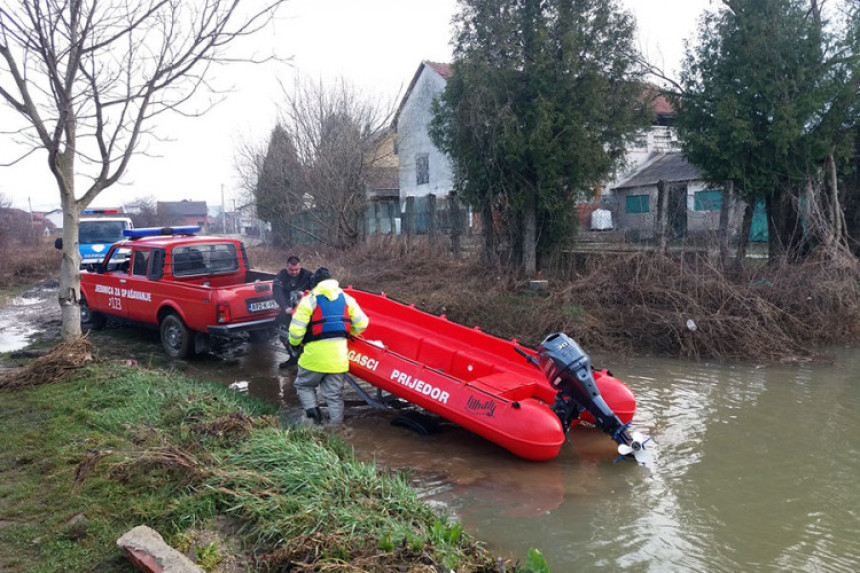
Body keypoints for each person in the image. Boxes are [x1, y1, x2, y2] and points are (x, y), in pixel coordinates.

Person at [287, 267, 368, 427]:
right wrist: (346, 332)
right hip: (338, 359)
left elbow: (296, 333)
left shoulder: (310, 300)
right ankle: (336, 429)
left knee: (304, 385)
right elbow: (362, 323)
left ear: (315, 283)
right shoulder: (347, 298)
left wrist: (294, 345)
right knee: (334, 396)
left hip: (313, 358)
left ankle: (315, 421)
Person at [273, 256, 314, 368]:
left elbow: (317, 289)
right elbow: (277, 293)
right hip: (288, 310)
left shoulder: (307, 275)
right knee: (283, 333)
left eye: (297, 270)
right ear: (287, 267)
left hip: (306, 310)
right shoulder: (281, 276)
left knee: (307, 335)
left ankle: (305, 361)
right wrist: (285, 307)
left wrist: (306, 293)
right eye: (291, 270)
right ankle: (293, 357)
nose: (295, 272)